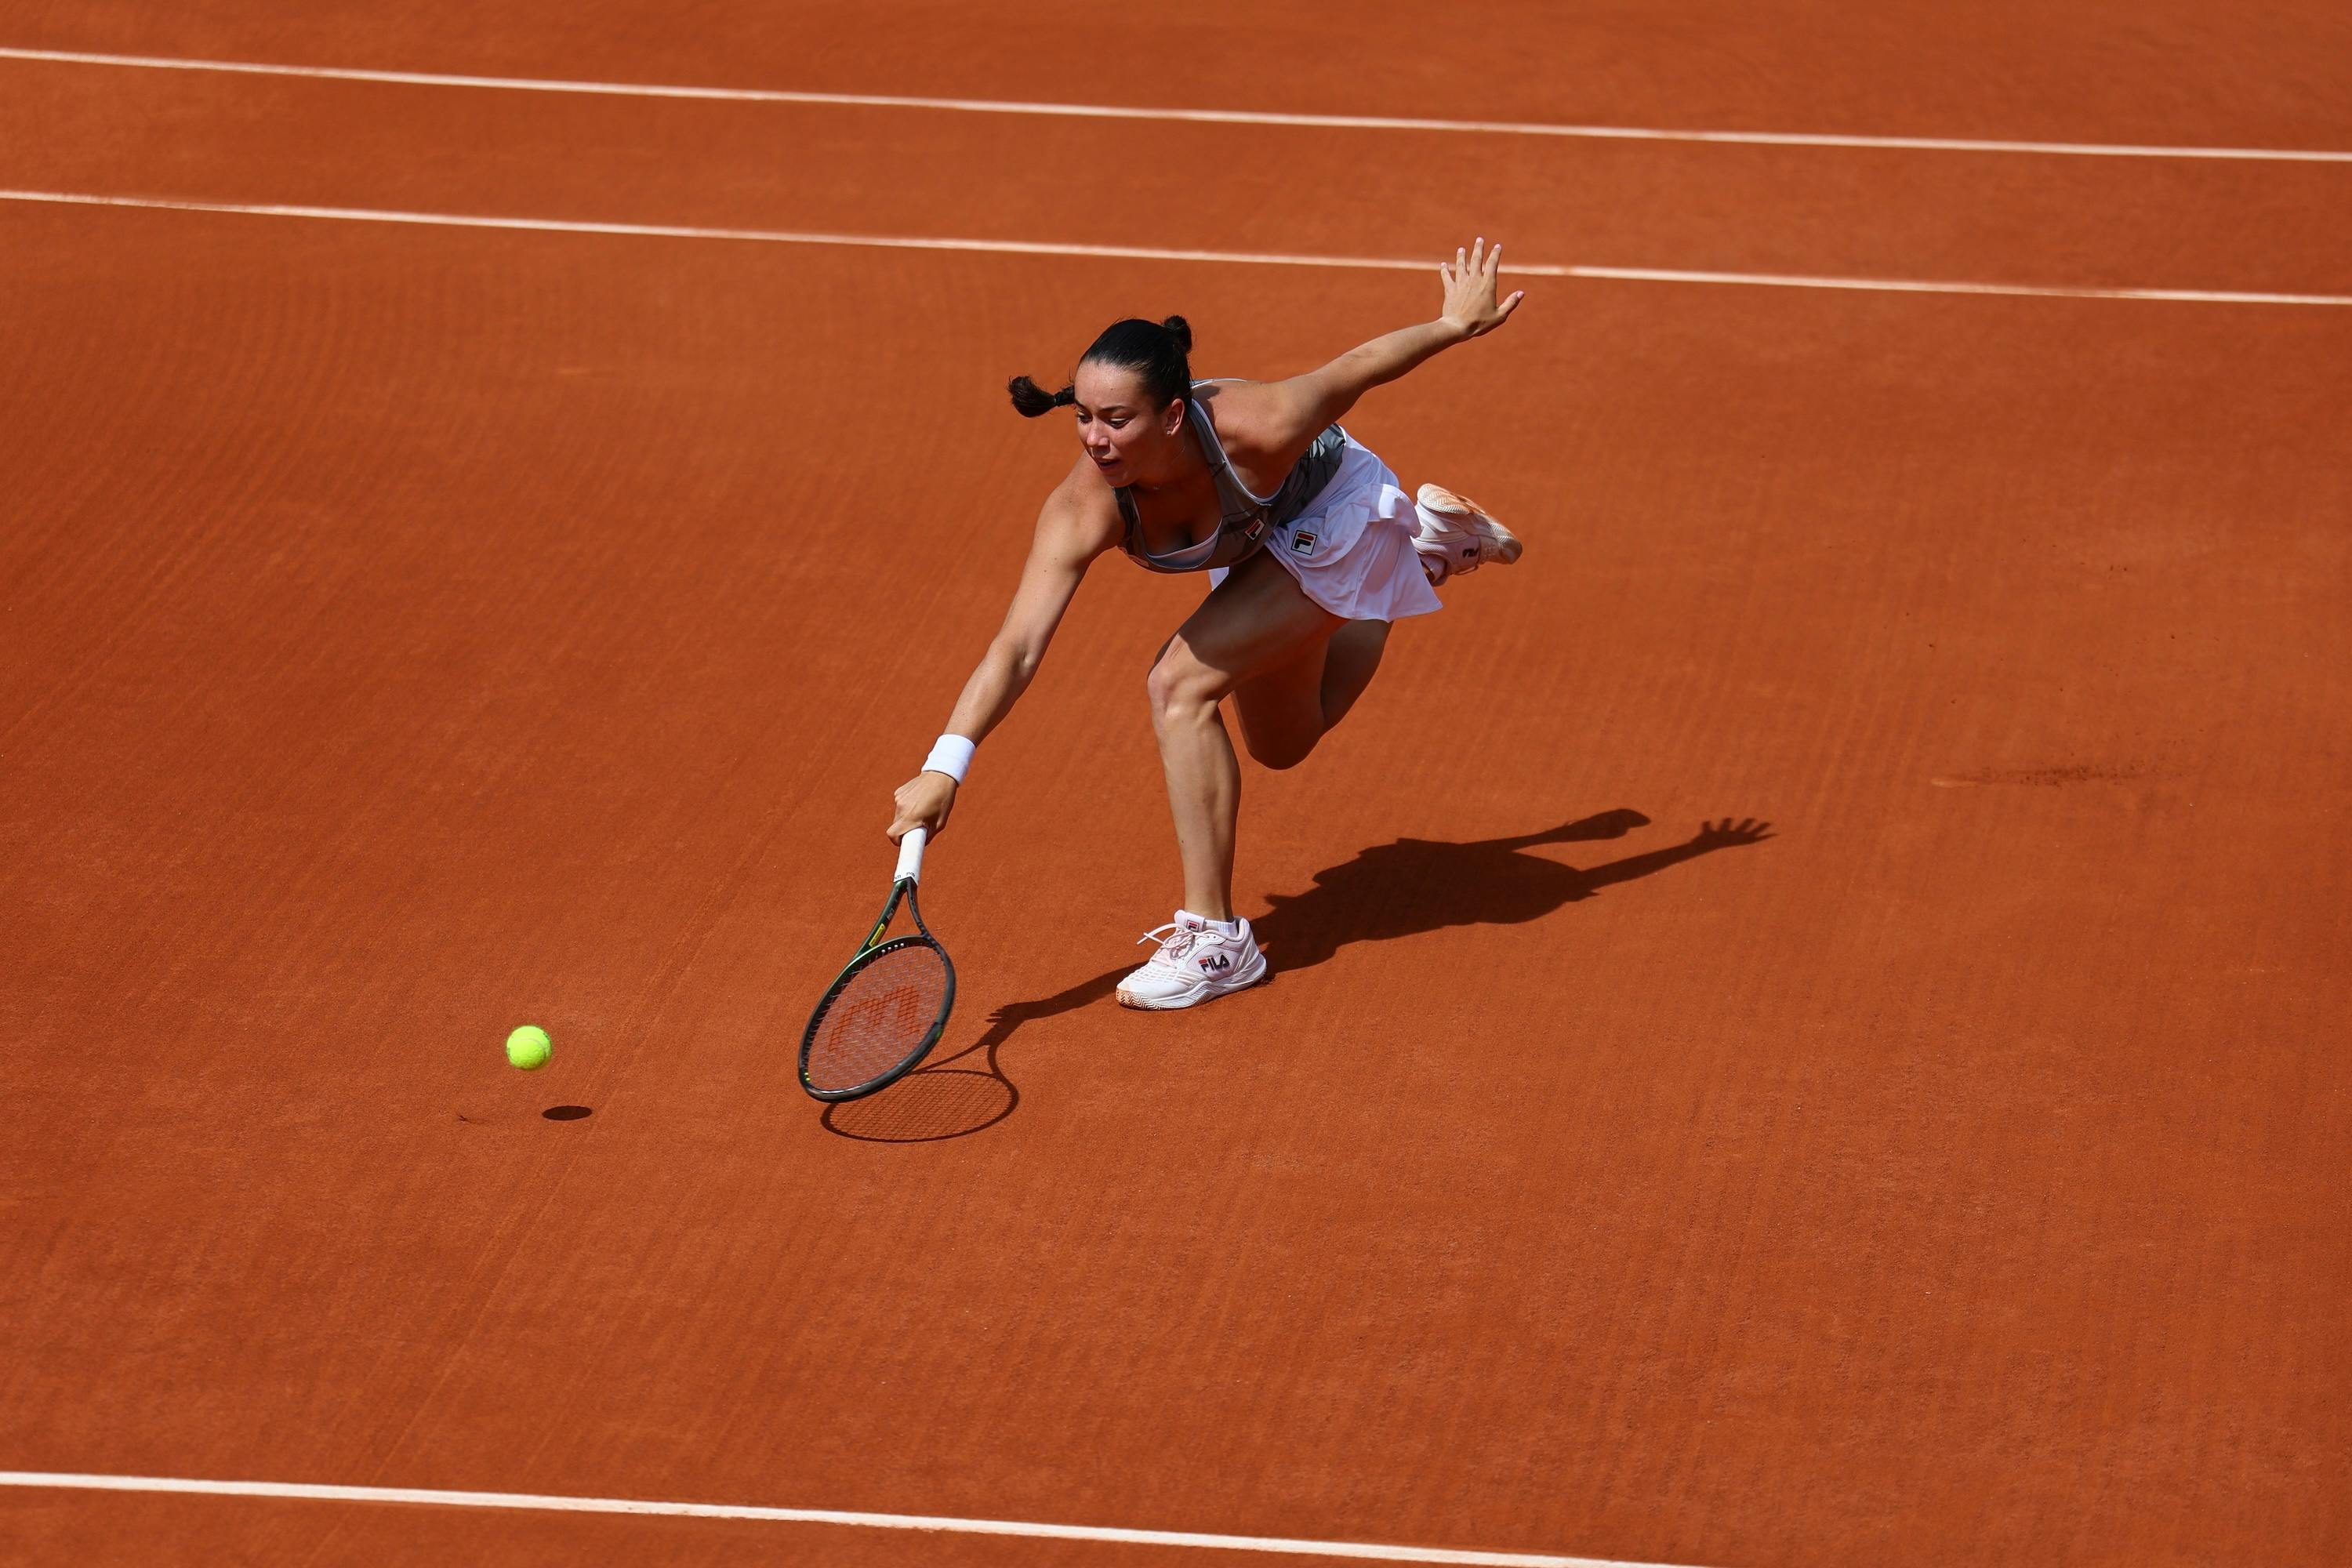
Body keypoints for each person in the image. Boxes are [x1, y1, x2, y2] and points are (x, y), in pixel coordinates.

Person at [887, 238, 1526, 1011]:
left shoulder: (1261, 423)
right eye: (1084, 416)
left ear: (1174, 415)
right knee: (1284, 743)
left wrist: (1453, 324)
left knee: (1179, 685)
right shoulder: (1084, 505)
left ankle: (1217, 939)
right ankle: (1422, 549)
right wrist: (944, 764)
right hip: (1259, 541)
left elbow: (1356, 366)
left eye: (1117, 420)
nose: (1095, 438)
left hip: (1332, 508)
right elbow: (1017, 646)